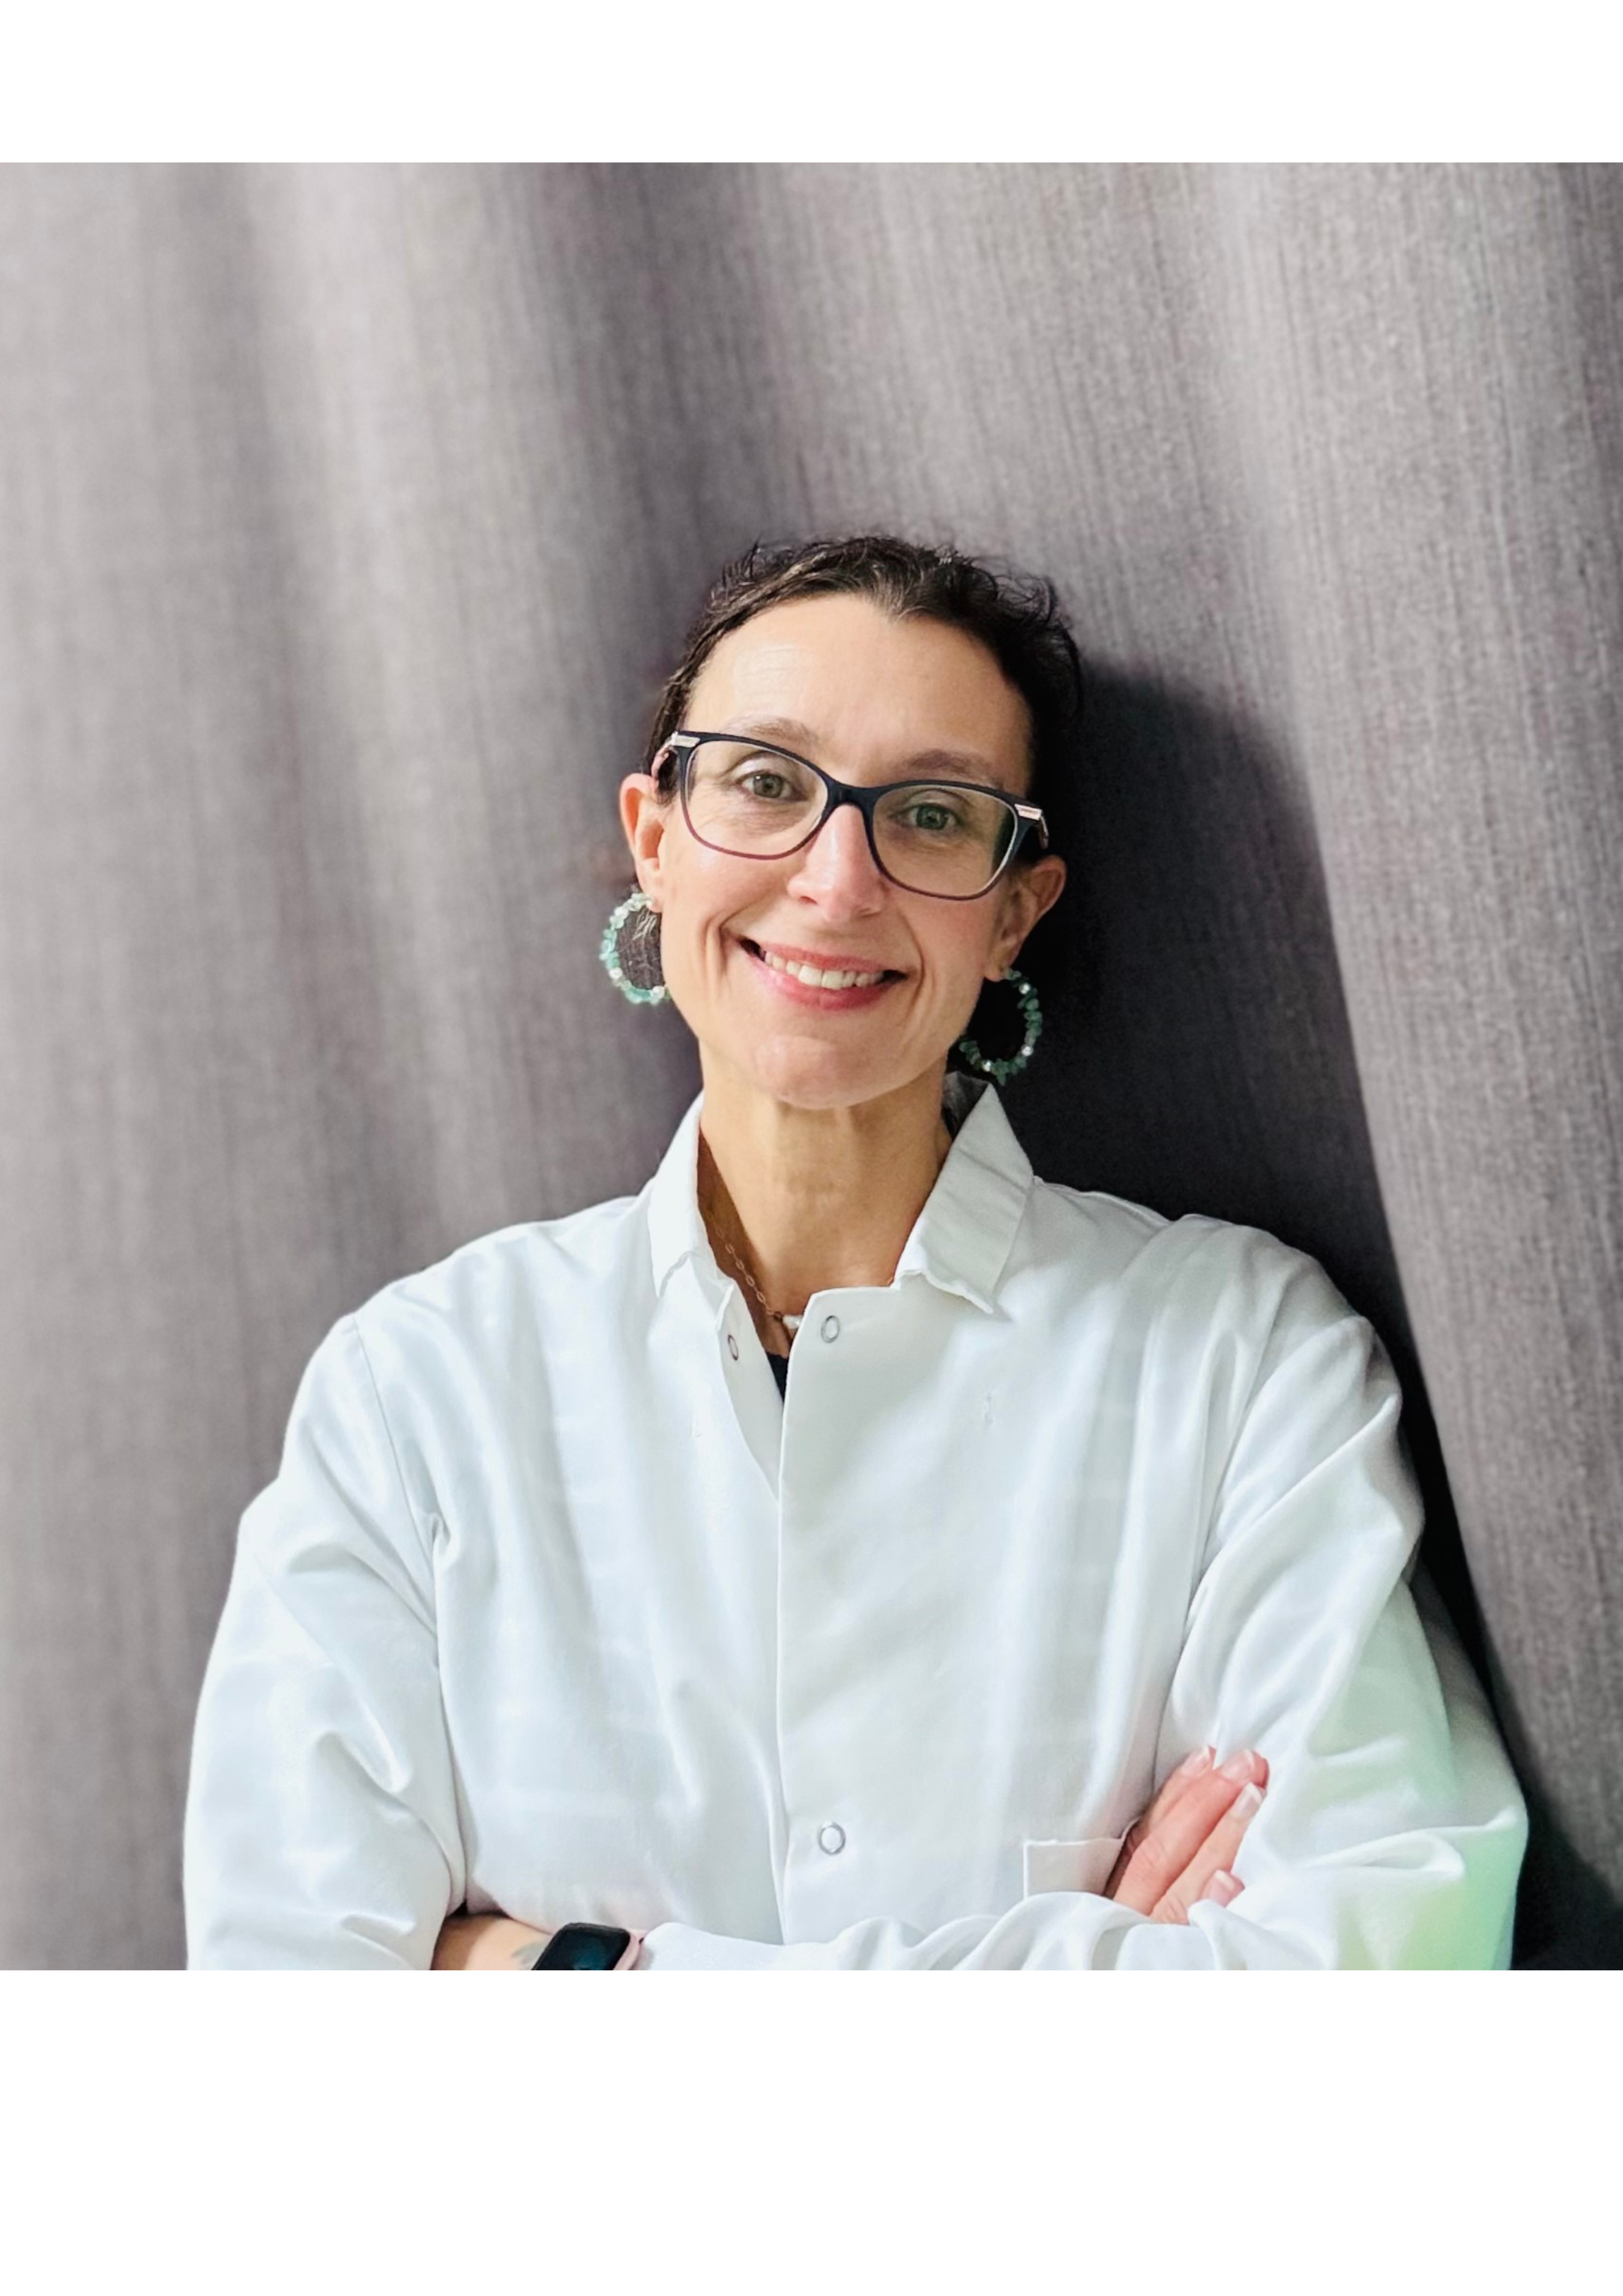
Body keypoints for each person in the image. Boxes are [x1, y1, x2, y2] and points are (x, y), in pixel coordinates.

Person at [182, 534, 1528, 1968]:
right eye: (766, 783)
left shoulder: (1241, 1356)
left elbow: (1393, 1980)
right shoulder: (421, 1390)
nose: (836, 882)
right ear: (656, 835)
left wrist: (566, 1973)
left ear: (1014, 910)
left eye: (934, 815)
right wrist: (1101, 1974)